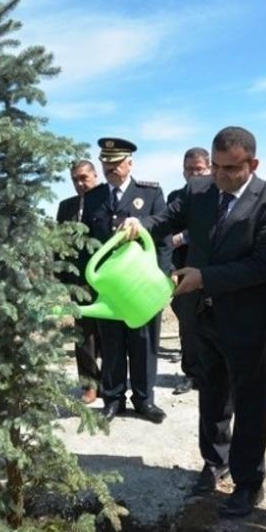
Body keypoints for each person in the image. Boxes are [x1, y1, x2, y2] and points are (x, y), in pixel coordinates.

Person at [122, 127, 266, 518]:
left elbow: (260, 266)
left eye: (229, 168)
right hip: (202, 316)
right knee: (211, 393)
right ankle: (215, 461)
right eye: (214, 166)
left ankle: (249, 481)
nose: (218, 174)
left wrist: (205, 278)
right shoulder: (199, 192)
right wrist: (139, 225)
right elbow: (164, 220)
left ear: (252, 164)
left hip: (245, 319)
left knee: (249, 402)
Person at [80, 137, 171, 423]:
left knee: (144, 343)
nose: (110, 168)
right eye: (106, 163)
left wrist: (163, 278)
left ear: (129, 162)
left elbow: (163, 239)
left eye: (116, 163)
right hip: (108, 287)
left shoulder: (151, 194)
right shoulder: (94, 198)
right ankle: (113, 399)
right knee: (112, 343)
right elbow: (86, 243)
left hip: (141, 284)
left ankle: (144, 400)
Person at [57, 160, 104, 404]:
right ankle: (89, 385)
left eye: (84, 178)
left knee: (109, 335)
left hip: (108, 281)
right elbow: (59, 247)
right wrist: (61, 279)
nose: (80, 183)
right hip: (78, 282)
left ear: (95, 176)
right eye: (75, 179)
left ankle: (108, 383)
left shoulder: (108, 200)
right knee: (83, 336)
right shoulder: (66, 207)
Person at [168, 147, 212, 396]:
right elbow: (166, 237)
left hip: (212, 272)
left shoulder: (217, 194)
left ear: (208, 168)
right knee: (188, 327)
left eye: (199, 169)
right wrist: (171, 269)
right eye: (189, 169)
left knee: (215, 325)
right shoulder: (176, 196)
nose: (194, 174)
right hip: (183, 273)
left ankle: (215, 373)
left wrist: (184, 237)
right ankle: (191, 374)